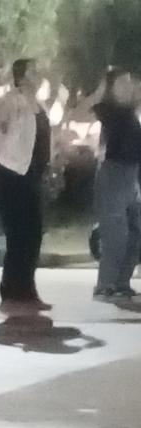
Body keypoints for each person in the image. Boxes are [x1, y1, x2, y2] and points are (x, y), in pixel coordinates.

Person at [0, 58, 51, 317]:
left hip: (32, 174)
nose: (38, 75)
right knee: (18, 234)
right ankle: (11, 290)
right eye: (33, 71)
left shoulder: (39, 103)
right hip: (13, 172)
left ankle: (27, 289)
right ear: (22, 76)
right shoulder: (13, 100)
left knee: (33, 233)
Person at [85, 68, 141, 302]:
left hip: (131, 176)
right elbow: (79, 112)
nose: (128, 86)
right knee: (116, 233)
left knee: (136, 232)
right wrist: (99, 90)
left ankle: (121, 282)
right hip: (113, 174)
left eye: (129, 82)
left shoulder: (131, 110)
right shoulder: (107, 110)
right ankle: (105, 284)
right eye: (122, 83)